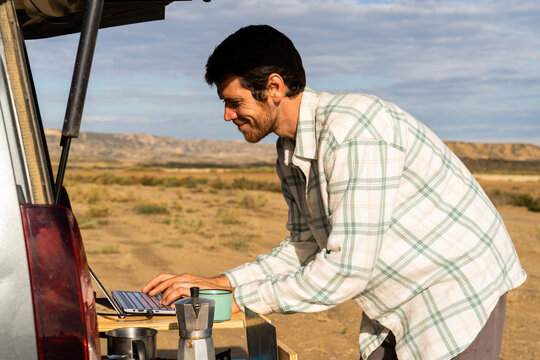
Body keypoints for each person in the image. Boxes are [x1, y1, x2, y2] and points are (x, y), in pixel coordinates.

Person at [142, 25, 526, 360]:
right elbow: (305, 245)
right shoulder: (289, 149)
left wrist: (236, 302)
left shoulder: (352, 132)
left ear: (273, 87)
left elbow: (346, 270)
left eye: (234, 102)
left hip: (451, 288)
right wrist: (221, 284)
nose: (227, 115)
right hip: (394, 295)